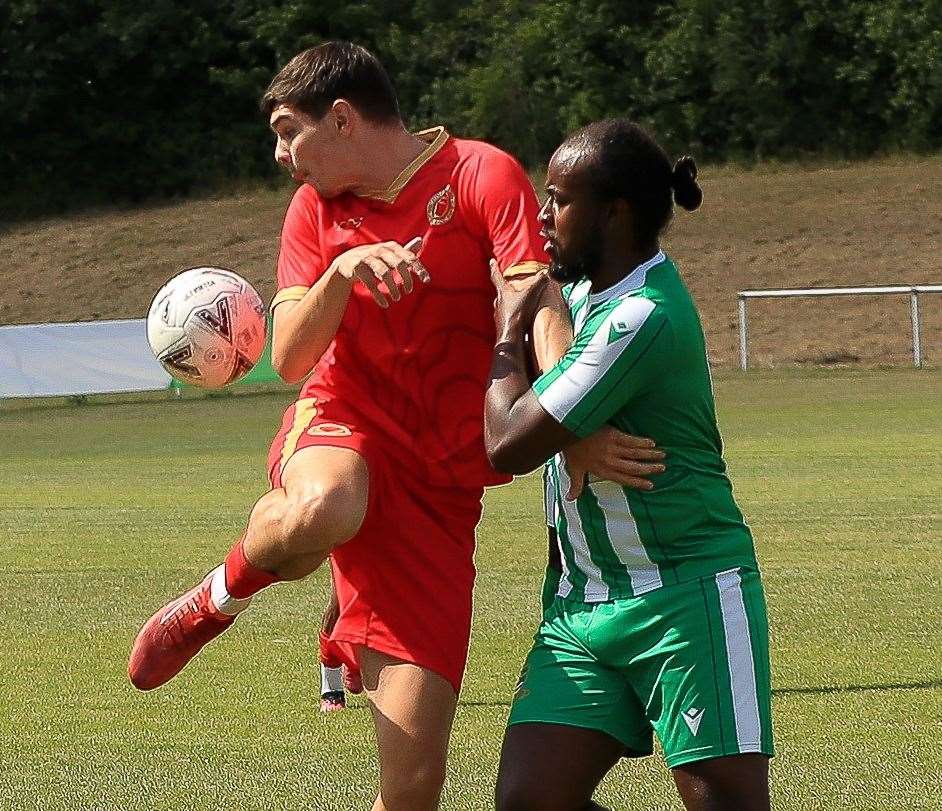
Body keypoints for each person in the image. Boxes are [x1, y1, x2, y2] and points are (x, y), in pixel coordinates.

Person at [127, 43, 662, 810]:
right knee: (326, 505)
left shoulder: (481, 173)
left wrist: (565, 416)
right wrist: (342, 275)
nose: (281, 155)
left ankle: (298, 583)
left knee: (413, 786)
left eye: (288, 131)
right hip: (344, 422)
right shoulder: (314, 209)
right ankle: (219, 595)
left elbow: (537, 300)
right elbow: (289, 354)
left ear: (342, 118)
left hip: (441, 491)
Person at [485, 119, 774, 811]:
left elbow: (508, 441)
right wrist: (569, 430)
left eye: (557, 198)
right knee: (529, 800)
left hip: (685, 594)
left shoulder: (640, 316)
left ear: (613, 212)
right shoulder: (583, 296)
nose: (541, 214)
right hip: (580, 605)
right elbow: (542, 401)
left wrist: (505, 332)